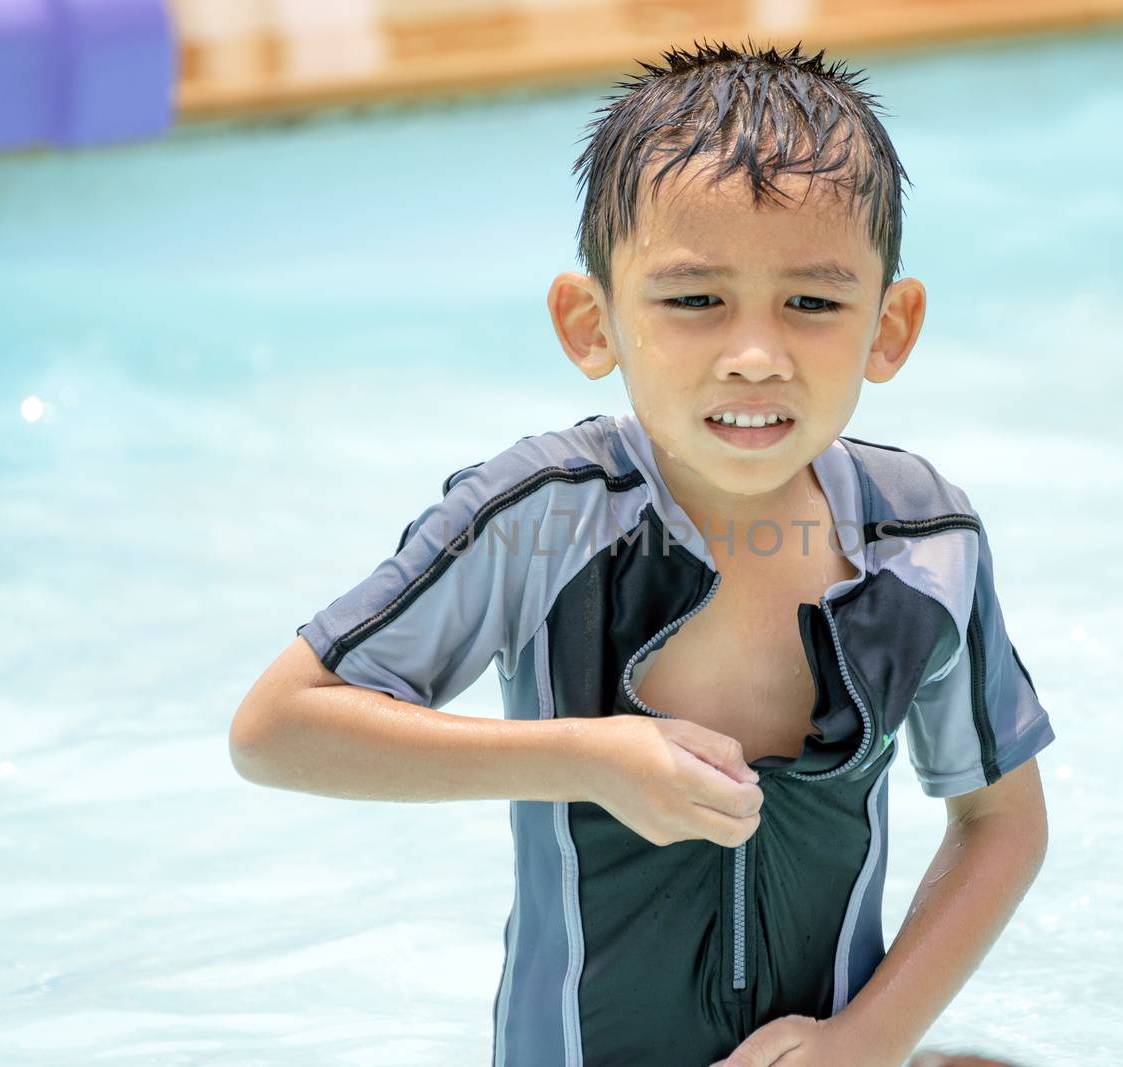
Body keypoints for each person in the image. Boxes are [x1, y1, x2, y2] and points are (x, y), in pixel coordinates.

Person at [230, 38, 1053, 1067]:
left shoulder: (921, 544)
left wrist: (867, 1038)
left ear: (888, 327)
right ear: (593, 322)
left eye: (811, 302)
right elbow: (275, 729)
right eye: (695, 299)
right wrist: (581, 756)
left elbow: (1000, 822)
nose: (755, 352)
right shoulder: (545, 517)